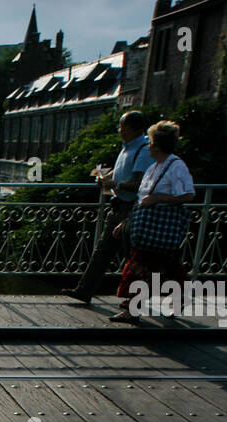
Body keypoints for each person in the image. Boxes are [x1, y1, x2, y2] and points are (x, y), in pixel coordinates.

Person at [62, 111, 153, 305]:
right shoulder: (127, 147)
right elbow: (121, 172)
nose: (119, 130)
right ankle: (84, 291)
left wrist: (115, 185)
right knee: (103, 251)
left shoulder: (143, 150)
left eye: (123, 127)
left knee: (134, 257)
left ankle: (135, 301)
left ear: (134, 129)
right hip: (118, 207)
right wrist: (105, 178)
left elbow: (140, 183)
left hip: (132, 209)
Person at [111, 120, 196, 323]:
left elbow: (187, 195)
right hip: (149, 226)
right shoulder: (155, 166)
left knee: (139, 267)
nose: (148, 146)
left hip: (160, 226)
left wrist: (160, 199)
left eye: (150, 142)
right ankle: (180, 298)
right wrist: (126, 223)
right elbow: (143, 198)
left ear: (157, 145)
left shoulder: (176, 166)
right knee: (167, 266)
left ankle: (133, 310)